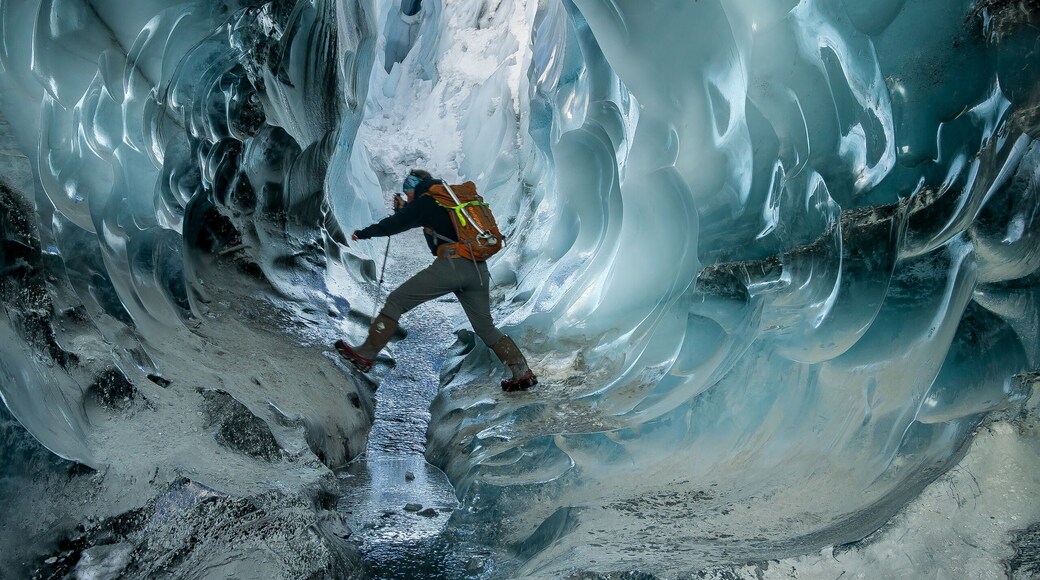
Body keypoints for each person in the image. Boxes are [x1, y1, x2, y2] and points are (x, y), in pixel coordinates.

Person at [335, 169, 538, 392]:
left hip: (451, 265)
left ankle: (366, 354)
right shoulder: (448, 200)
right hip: (477, 268)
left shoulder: (426, 201)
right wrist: (405, 209)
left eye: (407, 191)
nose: (407, 196)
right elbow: (431, 220)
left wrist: (365, 233)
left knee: (396, 301)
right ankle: (522, 371)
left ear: (414, 187)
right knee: (486, 328)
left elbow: (397, 224)